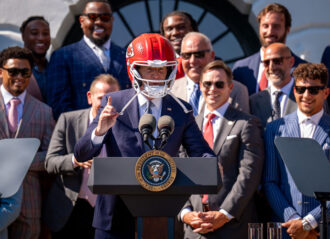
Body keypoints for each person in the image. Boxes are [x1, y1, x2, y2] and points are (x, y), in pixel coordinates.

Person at [74, 33, 215, 239]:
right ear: (135, 69)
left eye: (162, 69)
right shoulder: (114, 102)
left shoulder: (180, 109)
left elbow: (201, 152)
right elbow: (81, 152)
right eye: (150, 69)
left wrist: (212, 164)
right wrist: (100, 130)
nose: (157, 76)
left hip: (160, 213)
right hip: (114, 214)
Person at [179, 60, 264, 238]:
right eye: (207, 84)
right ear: (200, 86)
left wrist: (224, 214)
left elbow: (249, 174)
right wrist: (186, 212)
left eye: (219, 84)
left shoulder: (246, 123)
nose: (212, 89)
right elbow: (180, 171)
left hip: (232, 226)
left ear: (230, 87)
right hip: (195, 228)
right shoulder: (189, 124)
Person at [44, 74, 119, 239]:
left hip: (109, 210)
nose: (108, 105)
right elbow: (50, 162)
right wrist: (75, 161)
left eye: (113, 99)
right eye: (102, 98)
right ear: (89, 97)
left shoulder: (125, 127)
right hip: (71, 208)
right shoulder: (68, 120)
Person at [263, 63, 330, 239]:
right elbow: (270, 181)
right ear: (294, 91)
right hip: (286, 229)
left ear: (326, 92)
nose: (306, 95)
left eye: (314, 90)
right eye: (300, 89)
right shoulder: (274, 129)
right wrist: (294, 221)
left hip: (323, 229)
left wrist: (309, 223)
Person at [0, 46, 54, 239]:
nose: (19, 77)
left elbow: (51, 156)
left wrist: (18, 163)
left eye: (25, 72)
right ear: (1, 71)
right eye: (13, 71)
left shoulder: (43, 111)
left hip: (29, 199)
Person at [47, 0, 131, 119]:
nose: (99, 22)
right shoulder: (63, 56)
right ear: (81, 21)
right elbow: (58, 104)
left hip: (122, 132)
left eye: (105, 17)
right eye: (92, 17)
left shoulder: (126, 56)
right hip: (82, 133)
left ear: (112, 21)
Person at [232, 3, 306, 95]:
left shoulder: (305, 70)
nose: (270, 31)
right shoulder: (240, 70)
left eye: (276, 26)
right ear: (259, 28)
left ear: (287, 29)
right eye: (265, 26)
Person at [171, 32, 250, 115]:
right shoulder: (171, 90)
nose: (192, 61)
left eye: (199, 55)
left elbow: (241, 126)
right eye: (187, 55)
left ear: (212, 56)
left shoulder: (236, 91)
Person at [250, 43, 297, 128]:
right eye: (266, 62)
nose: (271, 67)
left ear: (291, 62)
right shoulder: (254, 101)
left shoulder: (309, 94)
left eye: (277, 61)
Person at [20, 16, 51, 101]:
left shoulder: (56, 68)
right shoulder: (11, 70)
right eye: (34, 33)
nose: (41, 38)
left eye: (45, 33)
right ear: (23, 36)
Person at [160, 11, 198, 79]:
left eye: (181, 27)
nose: (175, 33)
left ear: (192, 30)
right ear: (164, 35)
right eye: (169, 29)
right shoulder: (157, 66)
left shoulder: (209, 62)